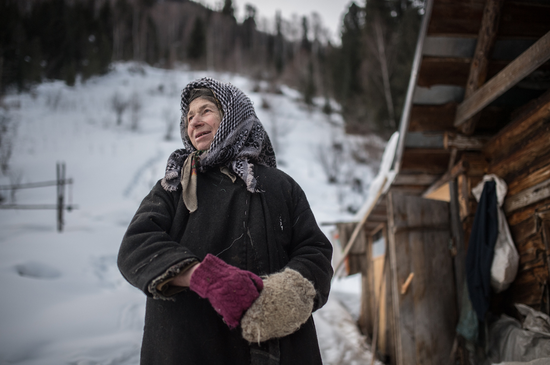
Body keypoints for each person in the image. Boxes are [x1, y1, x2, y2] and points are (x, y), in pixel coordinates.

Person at [117, 77, 333, 365]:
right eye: (189, 116)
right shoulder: (173, 186)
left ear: (233, 115)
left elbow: (315, 252)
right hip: (188, 347)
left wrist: (284, 299)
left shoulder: (281, 186)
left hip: (279, 349)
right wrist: (204, 276)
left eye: (206, 111)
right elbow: (136, 246)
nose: (194, 122)